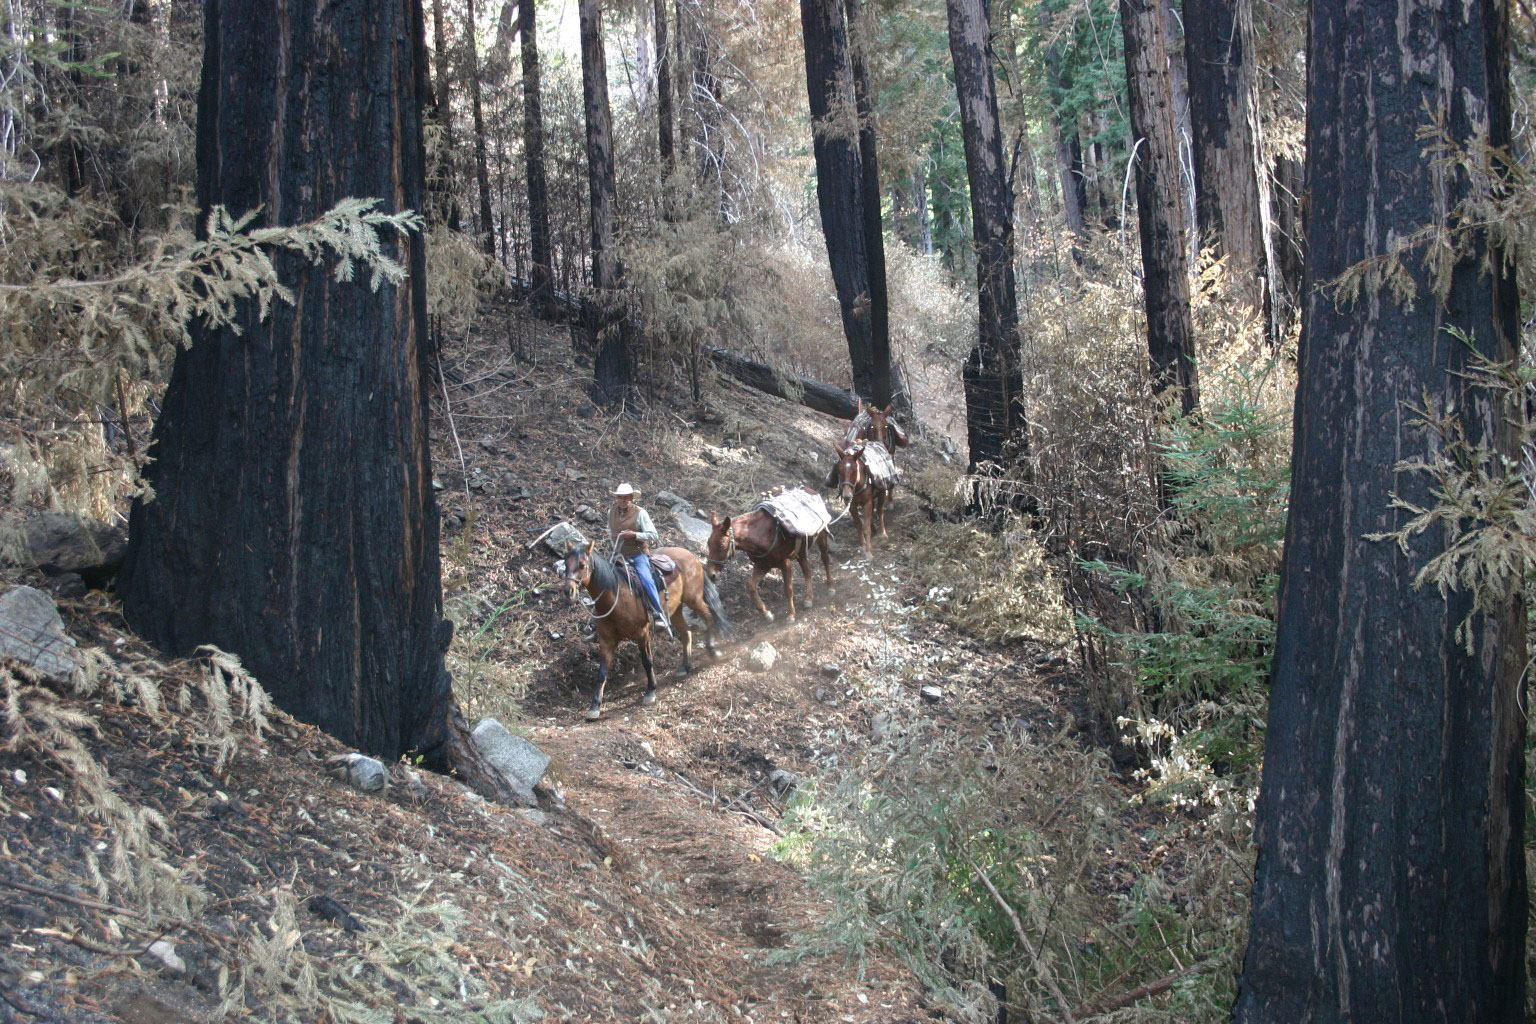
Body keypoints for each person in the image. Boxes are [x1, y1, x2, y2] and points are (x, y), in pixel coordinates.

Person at [608, 483, 673, 638]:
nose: (623, 500)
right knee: (601, 579)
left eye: (626, 497)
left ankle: (658, 614)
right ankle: (597, 623)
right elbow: (610, 532)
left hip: (638, 555)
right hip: (618, 555)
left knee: (645, 578)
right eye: (620, 497)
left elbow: (653, 535)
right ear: (616, 498)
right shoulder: (611, 512)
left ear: (631, 498)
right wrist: (614, 547)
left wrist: (635, 535)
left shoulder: (640, 513)